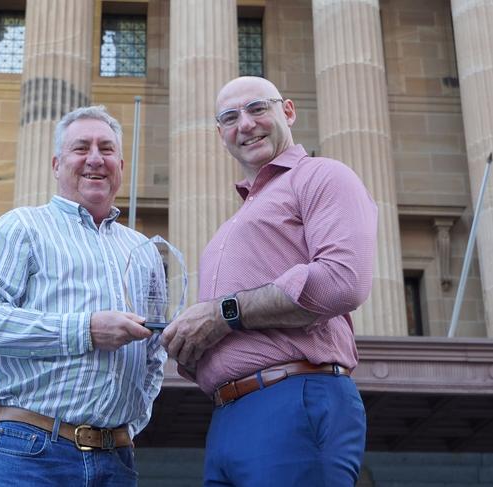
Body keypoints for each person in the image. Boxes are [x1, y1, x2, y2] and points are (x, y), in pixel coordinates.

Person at [161, 76, 377, 486]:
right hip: (228, 414)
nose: (245, 124)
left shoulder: (322, 176)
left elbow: (343, 281)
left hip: (293, 397)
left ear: (288, 111)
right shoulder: (236, 220)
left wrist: (223, 313)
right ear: (220, 133)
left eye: (258, 108)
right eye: (230, 117)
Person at [0, 105, 166, 487]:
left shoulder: (145, 251)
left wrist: (130, 424)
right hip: (30, 452)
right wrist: (85, 329)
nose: (96, 159)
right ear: (56, 163)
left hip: (117, 459)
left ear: (121, 162)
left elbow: (153, 355)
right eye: (81, 148)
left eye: (107, 149)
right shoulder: (20, 228)